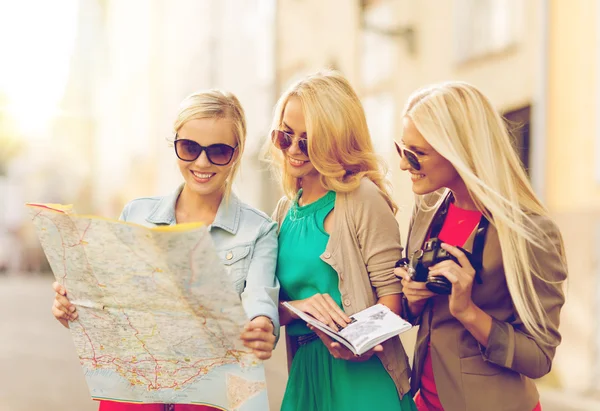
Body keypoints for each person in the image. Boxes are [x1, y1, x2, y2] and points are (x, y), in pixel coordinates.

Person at [51, 90, 280, 411]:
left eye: (218, 151)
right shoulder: (135, 215)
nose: (202, 162)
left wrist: (263, 325)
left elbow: (260, 299)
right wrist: (73, 308)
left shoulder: (259, 230)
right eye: (189, 148)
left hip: (212, 393)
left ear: (237, 153)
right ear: (174, 143)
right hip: (136, 387)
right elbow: (106, 304)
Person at [394, 81, 568, 411]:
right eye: (403, 150)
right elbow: (417, 313)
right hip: (425, 399)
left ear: (460, 150)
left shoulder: (531, 232)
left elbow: (540, 358)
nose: (405, 165)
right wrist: (413, 301)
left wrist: (468, 312)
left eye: (417, 155)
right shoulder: (429, 206)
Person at [268, 70, 417, 411]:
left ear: (335, 138)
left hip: (364, 377)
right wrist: (296, 309)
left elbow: (391, 302)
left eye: (307, 141)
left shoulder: (362, 197)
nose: (293, 149)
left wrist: (353, 342)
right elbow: (272, 308)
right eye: (285, 136)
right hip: (307, 374)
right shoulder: (284, 211)